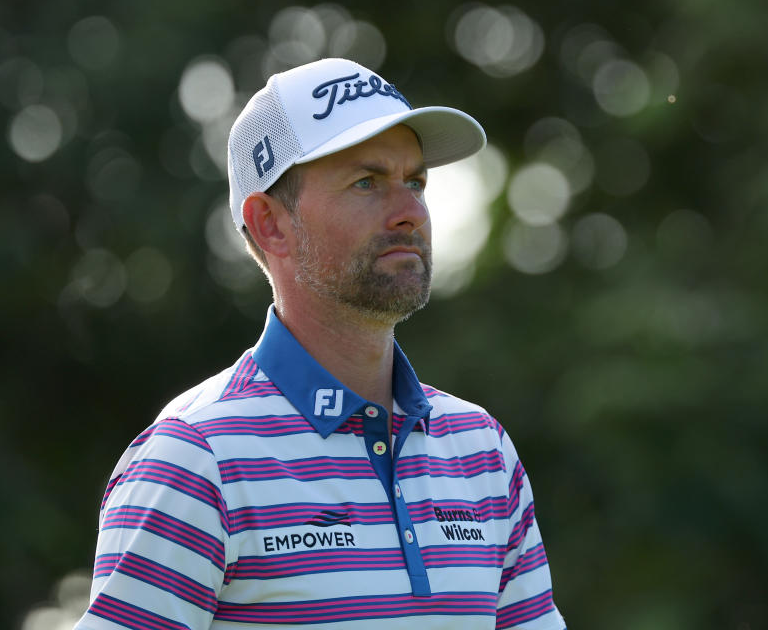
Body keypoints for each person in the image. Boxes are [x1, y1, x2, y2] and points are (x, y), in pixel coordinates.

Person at [74, 57, 564, 629]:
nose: (411, 213)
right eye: (366, 182)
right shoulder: (193, 459)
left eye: (415, 182)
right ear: (270, 226)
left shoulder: (482, 450)